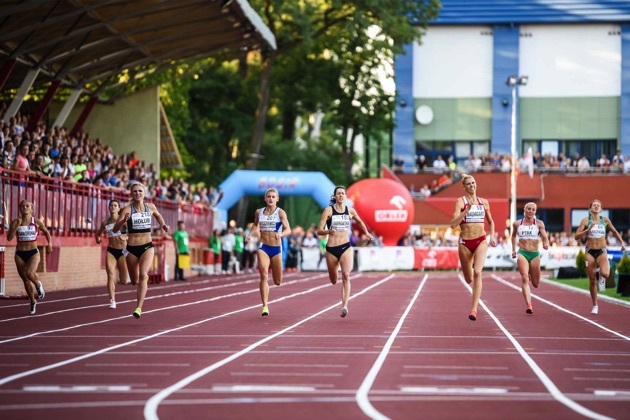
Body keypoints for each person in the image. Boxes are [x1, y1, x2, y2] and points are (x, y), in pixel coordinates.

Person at [113, 182, 170, 319]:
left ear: (144, 193)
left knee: (143, 275)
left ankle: (138, 308)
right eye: (135, 191)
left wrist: (163, 225)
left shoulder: (151, 207)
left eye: (140, 191)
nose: (138, 193)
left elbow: (158, 215)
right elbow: (115, 229)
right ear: (132, 194)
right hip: (132, 249)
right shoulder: (127, 209)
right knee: (133, 281)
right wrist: (123, 221)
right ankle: (139, 280)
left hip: (147, 246)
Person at [316, 186, 373, 318]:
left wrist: (366, 232)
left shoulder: (350, 211)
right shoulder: (328, 210)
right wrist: (328, 231)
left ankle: (345, 306)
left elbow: (359, 221)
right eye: (338, 194)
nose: (341, 196)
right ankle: (334, 278)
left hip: (345, 247)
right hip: (331, 249)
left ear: (346, 196)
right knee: (334, 280)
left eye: (343, 193)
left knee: (346, 275)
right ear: (335, 196)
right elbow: (319, 230)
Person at [450, 174, 496, 321]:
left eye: (473, 183)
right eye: (468, 184)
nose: (472, 185)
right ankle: (473, 303)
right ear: (464, 187)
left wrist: (492, 236)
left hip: (481, 240)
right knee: (469, 278)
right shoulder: (460, 202)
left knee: (477, 272)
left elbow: (491, 222)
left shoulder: (484, 202)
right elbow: (453, 224)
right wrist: (466, 210)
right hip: (465, 243)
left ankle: (474, 309)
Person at [244, 188, 291, 316]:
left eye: (273, 197)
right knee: (264, 275)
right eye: (268, 196)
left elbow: (289, 230)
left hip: (276, 249)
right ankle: (265, 306)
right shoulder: (259, 212)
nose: (270, 199)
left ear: (277, 199)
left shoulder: (280, 213)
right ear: (265, 198)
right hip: (263, 247)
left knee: (277, 281)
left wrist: (281, 234)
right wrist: (249, 235)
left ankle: (273, 286)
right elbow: (255, 225)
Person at [574, 199, 625, 314]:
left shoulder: (605, 220)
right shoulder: (585, 220)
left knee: (605, 274)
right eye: (594, 205)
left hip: (602, 251)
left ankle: (601, 274)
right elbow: (576, 236)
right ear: (590, 209)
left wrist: (621, 242)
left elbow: (615, 231)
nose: (596, 207)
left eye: (598, 205)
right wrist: (587, 230)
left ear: (601, 209)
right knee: (592, 280)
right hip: (589, 252)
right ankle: (595, 305)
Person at [7, 200, 52, 314]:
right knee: (26, 281)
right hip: (20, 254)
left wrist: (49, 244)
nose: (25, 208)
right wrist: (16, 226)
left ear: (32, 209)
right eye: (22, 206)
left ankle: (38, 284)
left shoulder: (36, 222)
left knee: (29, 273)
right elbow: (9, 238)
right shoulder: (16, 222)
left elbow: (47, 232)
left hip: (33, 253)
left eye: (27, 206)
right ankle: (32, 301)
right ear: (20, 209)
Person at [510, 202, 550, 314]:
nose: (531, 211)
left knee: (536, 284)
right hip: (522, 253)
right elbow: (513, 236)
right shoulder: (517, 224)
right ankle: (529, 304)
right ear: (525, 209)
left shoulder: (539, 223)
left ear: (535, 212)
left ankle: (532, 275)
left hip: (534, 254)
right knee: (524, 278)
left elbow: (545, 237)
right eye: (529, 209)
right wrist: (513, 249)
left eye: (533, 209)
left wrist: (546, 243)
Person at [95, 199, 129, 308]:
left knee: (123, 280)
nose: (113, 207)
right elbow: (98, 234)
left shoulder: (123, 221)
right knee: (110, 274)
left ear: (119, 208)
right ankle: (112, 300)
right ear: (109, 208)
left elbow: (134, 233)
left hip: (123, 250)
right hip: (111, 250)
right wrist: (98, 238)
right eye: (111, 205)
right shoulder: (105, 222)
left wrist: (126, 236)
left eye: (115, 205)